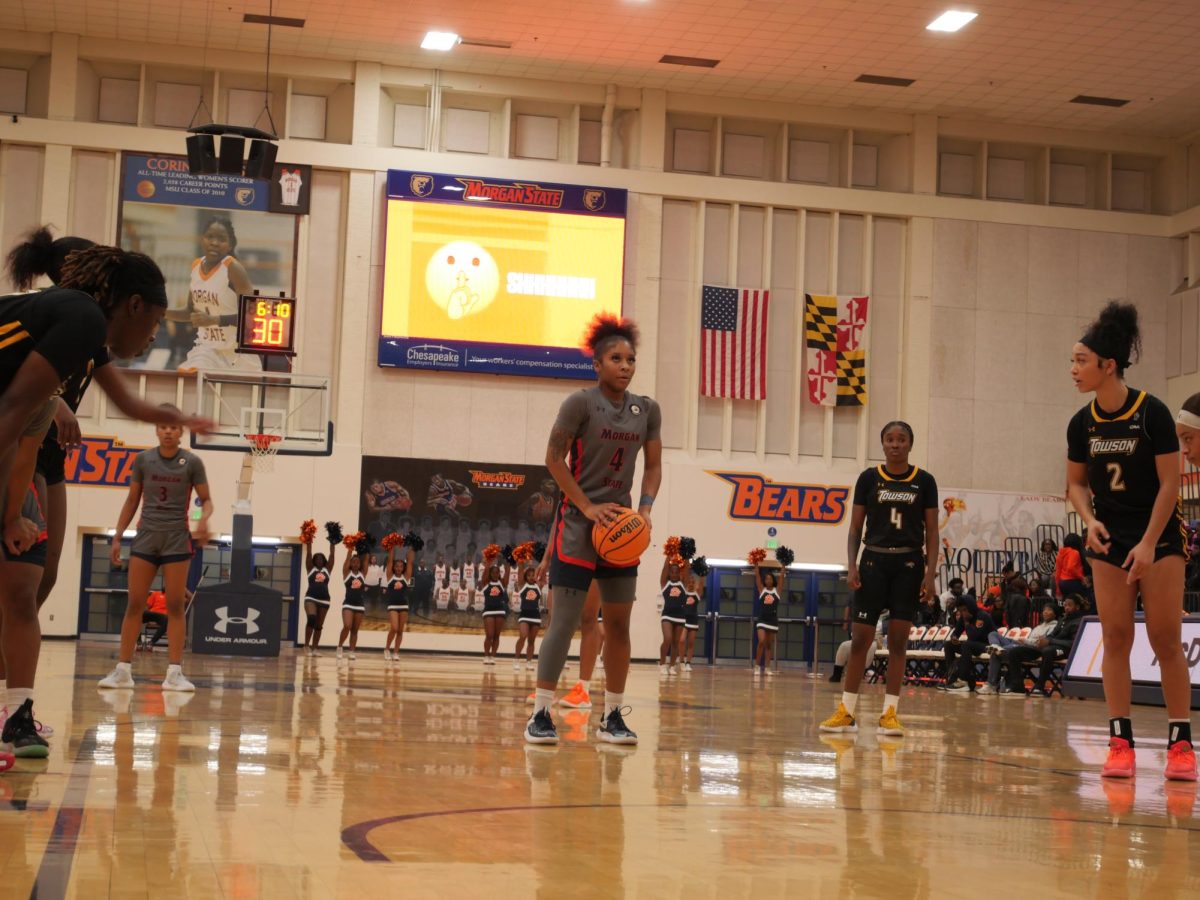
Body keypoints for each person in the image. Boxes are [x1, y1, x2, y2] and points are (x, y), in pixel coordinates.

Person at [0, 231, 212, 725]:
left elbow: (125, 403)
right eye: (156, 321)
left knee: (26, 583)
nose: (156, 334)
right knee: (18, 584)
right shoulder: (80, 317)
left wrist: (181, 416)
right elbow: (11, 410)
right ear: (133, 305)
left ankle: (14, 711)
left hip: (21, 442)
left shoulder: (83, 325)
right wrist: (7, 515)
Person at [1066, 302, 1196, 781]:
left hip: (1158, 537)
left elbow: (1170, 483)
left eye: (1082, 360)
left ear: (1109, 366)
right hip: (1109, 540)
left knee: (1165, 639)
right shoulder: (1082, 423)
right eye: (1073, 360)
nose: (1074, 369)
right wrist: (1087, 518)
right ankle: (1120, 742)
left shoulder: (1152, 413)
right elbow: (1076, 484)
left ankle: (1181, 744)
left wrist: (1147, 543)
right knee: (1116, 638)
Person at [524, 314, 662, 746]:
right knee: (564, 623)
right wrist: (585, 505)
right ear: (597, 365)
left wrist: (643, 509)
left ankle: (613, 717)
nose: (625, 365)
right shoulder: (578, 404)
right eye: (616, 358)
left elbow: (654, 465)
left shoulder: (648, 410)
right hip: (577, 529)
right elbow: (553, 459)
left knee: (619, 627)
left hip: (620, 530)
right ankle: (540, 714)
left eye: (630, 359)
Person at [821, 421, 939, 736]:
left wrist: (930, 573)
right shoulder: (868, 479)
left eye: (901, 439)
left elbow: (933, 532)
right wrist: (851, 563)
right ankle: (846, 712)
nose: (895, 444)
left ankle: (889, 714)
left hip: (909, 563)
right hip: (873, 560)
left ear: (910, 444)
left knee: (898, 641)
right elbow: (855, 527)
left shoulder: (924, 481)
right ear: (883, 444)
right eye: (890, 439)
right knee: (860, 639)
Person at [98, 411, 212, 692]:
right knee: (135, 602)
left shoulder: (193, 462)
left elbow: (206, 500)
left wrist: (203, 520)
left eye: (174, 426)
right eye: (164, 426)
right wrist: (117, 536)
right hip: (146, 538)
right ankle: (123, 670)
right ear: (157, 430)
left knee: (175, 605)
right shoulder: (143, 460)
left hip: (176, 539)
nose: (169, 431)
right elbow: (131, 500)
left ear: (181, 431)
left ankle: (174, 673)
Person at [172, 216, 260, 373]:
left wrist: (214, 320)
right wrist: (158, 311)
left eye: (221, 239)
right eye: (210, 237)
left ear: (230, 245)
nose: (214, 242)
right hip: (207, 350)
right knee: (189, 375)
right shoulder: (196, 266)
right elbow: (190, 312)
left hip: (238, 353)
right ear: (202, 239)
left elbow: (252, 315)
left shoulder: (233, 268)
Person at [1000, 596, 1083, 698]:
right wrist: (1044, 640)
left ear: (1077, 607)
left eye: (1069, 605)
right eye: (1065, 605)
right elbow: (1052, 635)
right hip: (1050, 646)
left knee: (1048, 651)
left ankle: (1040, 686)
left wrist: (1049, 641)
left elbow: (1074, 642)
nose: (1066, 607)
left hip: (1065, 649)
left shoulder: (1079, 621)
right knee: (1015, 652)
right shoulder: (1063, 620)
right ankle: (1018, 687)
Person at [977, 601, 1059, 695]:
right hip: (1020, 643)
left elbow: (1041, 642)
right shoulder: (1039, 626)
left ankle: (991, 684)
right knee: (993, 634)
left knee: (995, 653)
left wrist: (1025, 641)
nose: (1045, 612)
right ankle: (995, 646)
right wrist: (1021, 640)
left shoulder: (1054, 626)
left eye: (1049, 610)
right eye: (1044, 610)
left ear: (1055, 613)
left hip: (1028, 647)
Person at [941, 597, 995, 693]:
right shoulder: (964, 617)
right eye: (961, 610)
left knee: (967, 644)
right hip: (971, 645)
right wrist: (954, 638)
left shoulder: (982, 616)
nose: (963, 613)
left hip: (986, 645)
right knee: (948, 645)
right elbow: (956, 632)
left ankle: (963, 681)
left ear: (971, 607)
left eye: (965, 610)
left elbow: (974, 636)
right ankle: (951, 679)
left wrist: (966, 623)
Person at [301, 535, 335, 656]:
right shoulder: (310, 568)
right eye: (317, 558)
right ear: (314, 560)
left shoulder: (328, 569)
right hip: (311, 598)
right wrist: (309, 540)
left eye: (321, 559)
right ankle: (306, 646)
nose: (319, 560)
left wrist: (333, 542)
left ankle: (315, 648)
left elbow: (332, 556)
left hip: (325, 600)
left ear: (324, 560)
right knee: (311, 618)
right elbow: (309, 553)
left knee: (319, 626)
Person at [383, 542, 414, 661]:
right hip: (392, 605)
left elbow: (410, 561)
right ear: (393, 567)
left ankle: (396, 652)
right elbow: (390, 560)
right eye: (397, 566)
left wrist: (412, 547)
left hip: (404, 606)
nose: (398, 568)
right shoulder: (390, 576)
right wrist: (392, 546)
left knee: (400, 630)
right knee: (394, 628)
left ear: (403, 568)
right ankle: (386, 649)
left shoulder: (406, 577)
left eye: (401, 566)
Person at [752, 563, 783, 678]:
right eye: (766, 578)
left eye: (770, 578)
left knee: (769, 645)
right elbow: (757, 578)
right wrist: (756, 566)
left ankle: (767, 668)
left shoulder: (777, 591)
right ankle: (757, 666)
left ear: (773, 580)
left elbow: (781, 579)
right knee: (761, 641)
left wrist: (783, 566)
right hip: (762, 619)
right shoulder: (762, 590)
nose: (768, 580)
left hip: (772, 620)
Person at [479, 556, 511, 666]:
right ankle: (486, 655)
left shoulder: (502, 583)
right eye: (493, 572)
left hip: (500, 611)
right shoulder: (485, 583)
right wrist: (489, 561)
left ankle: (493, 656)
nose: (495, 574)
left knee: (497, 636)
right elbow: (485, 571)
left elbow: (507, 572)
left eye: (497, 572)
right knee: (489, 635)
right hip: (488, 611)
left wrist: (509, 560)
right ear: (490, 573)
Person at [658, 558, 687, 675]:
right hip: (667, 615)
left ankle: (672, 666)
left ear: (679, 573)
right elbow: (665, 568)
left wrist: (685, 555)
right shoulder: (665, 584)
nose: (674, 574)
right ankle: (662, 664)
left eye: (677, 572)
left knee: (675, 642)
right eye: (672, 571)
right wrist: (669, 555)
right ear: (669, 573)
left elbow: (687, 569)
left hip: (680, 616)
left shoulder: (682, 584)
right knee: (668, 639)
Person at [512, 564, 544, 671]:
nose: (531, 577)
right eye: (529, 575)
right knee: (523, 636)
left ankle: (529, 662)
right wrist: (521, 562)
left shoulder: (538, 585)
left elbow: (543, 576)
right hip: (524, 615)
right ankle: (516, 659)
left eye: (533, 575)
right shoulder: (523, 585)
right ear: (526, 577)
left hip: (535, 615)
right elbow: (520, 574)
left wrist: (544, 562)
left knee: (532, 641)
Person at [336, 554, 366, 660]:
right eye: (353, 562)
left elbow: (366, 558)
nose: (356, 564)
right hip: (348, 603)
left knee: (355, 630)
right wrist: (350, 549)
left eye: (358, 562)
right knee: (347, 626)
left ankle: (352, 651)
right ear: (350, 563)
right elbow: (347, 560)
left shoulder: (363, 574)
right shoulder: (347, 573)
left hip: (359, 605)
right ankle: (340, 647)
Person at [680, 569, 703, 671]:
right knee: (681, 641)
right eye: (689, 582)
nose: (691, 584)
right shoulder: (683, 593)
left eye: (693, 582)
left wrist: (703, 573)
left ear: (695, 584)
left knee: (690, 643)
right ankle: (681, 661)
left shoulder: (696, 595)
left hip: (693, 621)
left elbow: (701, 584)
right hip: (684, 620)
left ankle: (688, 663)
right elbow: (682, 579)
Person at [1055, 533, 1088, 599]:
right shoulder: (1074, 552)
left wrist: (1058, 589)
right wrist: (1082, 578)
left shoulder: (1060, 553)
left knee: (1067, 604)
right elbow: (1071, 568)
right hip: (1073, 581)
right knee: (1079, 601)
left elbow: (1057, 572)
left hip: (1062, 583)